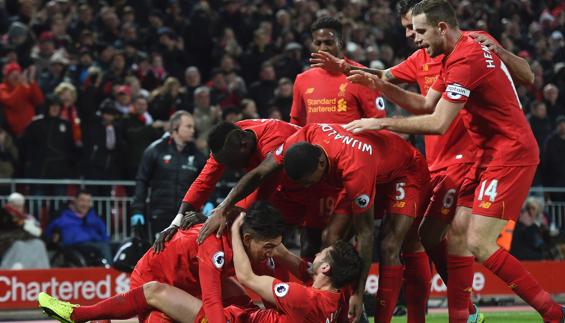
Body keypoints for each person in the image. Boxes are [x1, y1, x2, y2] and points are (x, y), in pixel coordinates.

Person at [341, 0, 565, 321]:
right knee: (436, 233)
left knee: (478, 242)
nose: (414, 38)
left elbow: (438, 122)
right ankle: (465, 315)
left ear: (441, 28)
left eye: (419, 30)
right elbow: (425, 103)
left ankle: (554, 314)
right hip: (485, 155)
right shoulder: (453, 55)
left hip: (510, 153)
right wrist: (379, 84)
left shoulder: (466, 58)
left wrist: (381, 123)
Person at [206, 123, 431, 323]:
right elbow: (259, 173)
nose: (306, 187)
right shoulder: (304, 135)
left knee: (389, 245)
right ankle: (335, 309)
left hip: (404, 171)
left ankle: (371, 313)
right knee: (330, 238)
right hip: (370, 168)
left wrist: (358, 294)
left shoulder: (355, 169)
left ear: (322, 163)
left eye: (308, 181)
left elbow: (365, 233)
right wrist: (223, 208)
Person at [38, 211, 362, 323]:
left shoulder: (302, 297)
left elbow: (248, 277)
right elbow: (300, 267)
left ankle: (77, 314)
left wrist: (235, 226)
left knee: (154, 294)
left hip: (230, 317)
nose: (316, 255)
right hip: (162, 268)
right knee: (233, 290)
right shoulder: (337, 301)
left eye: (323, 255)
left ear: (327, 271)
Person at [153, 119, 298, 253]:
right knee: (263, 247)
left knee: (291, 246)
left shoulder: (275, 138)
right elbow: (204, 181)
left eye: (229, 163)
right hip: (282, 187)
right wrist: (176, 222)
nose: (228, 168)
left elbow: (261, 185)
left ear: (244, 145)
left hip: (309, 188)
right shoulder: (230, 140)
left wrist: (222, 212)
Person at [290, 16, 386, 127]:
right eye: (318, 43)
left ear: (340, 42)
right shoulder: (302, 80)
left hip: (350, 144)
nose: (323, 48)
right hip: (313, 144)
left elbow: (378, 121)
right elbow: (296, 124)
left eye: (328, 43)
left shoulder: (361, 76)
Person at [130, 110, 206, 239]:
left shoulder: (197, 155)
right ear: (175, 128)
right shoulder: (155, 150)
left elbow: (207, 181)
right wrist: (137, 209)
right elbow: (142, 180)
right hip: (159, 214)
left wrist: (210, 200)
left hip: (187, 217)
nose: (193, 130)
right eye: (188, 126)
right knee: (158, 253)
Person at [45, 190, 112, 264]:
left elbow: (104, 233)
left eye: (88, 201)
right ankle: (110, 272)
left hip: (95, 243)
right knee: (103, 247)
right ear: (75, 201)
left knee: (114, 246)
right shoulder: (63, 215)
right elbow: (49, 231)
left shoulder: (94, 216)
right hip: (74, 245)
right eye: (82, 200)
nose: (85, 204)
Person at [0, 192, 50, 269]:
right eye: (15, 205)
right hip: (7, 241)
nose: (17, 208)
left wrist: (33, 230)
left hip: (24, 238)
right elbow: (8, 229)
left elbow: (40, 234)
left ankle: (43, 272)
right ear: (9, 204)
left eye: (20, 206)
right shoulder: (3, 214)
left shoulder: (28, 218)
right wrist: (24, 227)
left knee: (39, 244)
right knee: (19, 245)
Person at [0, 62, 44, 137]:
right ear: (7, 77)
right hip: (15, 132)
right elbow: (10, 101)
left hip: (32, 129)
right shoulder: (2, 88)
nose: (16, 78)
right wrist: (21, 86)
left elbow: (39, 100)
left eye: (17, 75)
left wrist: (32, 82)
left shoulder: (24, 86)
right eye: (13, 75)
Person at [542, 115, 565, 202]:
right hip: (556, 183)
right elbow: (546, 164)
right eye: (561, 124)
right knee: (557, 209)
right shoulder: (550, 141)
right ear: (557, 126)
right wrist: (546, 187)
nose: (563, 126)